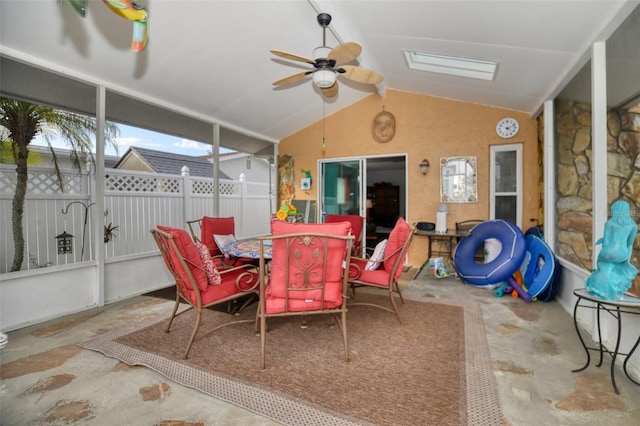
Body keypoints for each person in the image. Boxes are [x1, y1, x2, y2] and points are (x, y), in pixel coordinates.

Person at [586, 200, 638, 300]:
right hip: (622, 254)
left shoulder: (609, 223)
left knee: (604, 267)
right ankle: (614, 290)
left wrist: (602, 245)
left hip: (609, 251)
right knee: (614, 269)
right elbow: (629, 245)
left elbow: (606, 243)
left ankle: (601, 289)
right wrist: (627, 261)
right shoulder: (633, 226)